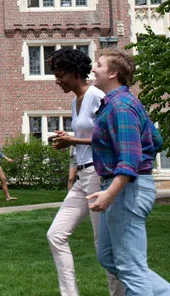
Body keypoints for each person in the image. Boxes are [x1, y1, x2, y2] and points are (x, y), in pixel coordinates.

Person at [86, 48, 170, 296]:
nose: (93, 68)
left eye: (98, 64)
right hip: (122, 187)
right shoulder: (119, 103)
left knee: (131, 267)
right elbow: (156, 139)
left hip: (125, 190)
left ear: (113, 73)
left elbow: (129, 159)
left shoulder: (121, 106)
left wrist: (110, 193)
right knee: (108, 257)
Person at [45, 49, 124, 296]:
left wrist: (73, 140)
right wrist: (69, 146)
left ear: (75, 73)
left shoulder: (98, 96)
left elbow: (110, 139)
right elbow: (83, 137)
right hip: (82, 177)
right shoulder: (74, 101)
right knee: (55, 234)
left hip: (98, 175)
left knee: (105, 246)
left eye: (60, 75)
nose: (57, 81)